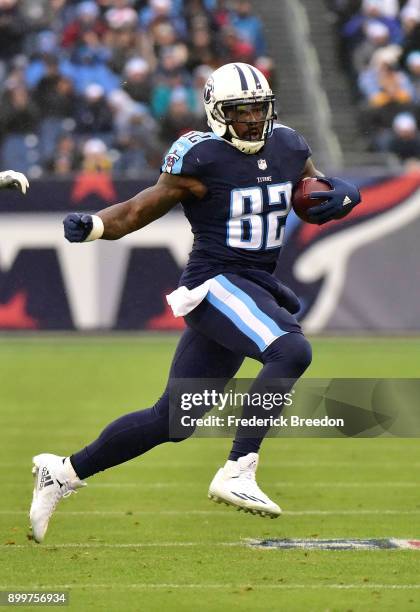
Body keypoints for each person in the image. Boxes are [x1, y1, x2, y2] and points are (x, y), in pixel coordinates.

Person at [29, 62, 361, 543]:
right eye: (239, 111)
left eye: (258, 109)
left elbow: (314, 187)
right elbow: (138, 208)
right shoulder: (200, 157)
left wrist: (343, 196)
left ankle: (62, 473)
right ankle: (239, 468)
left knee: (174, 419)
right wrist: (97, 225)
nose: (251, 120)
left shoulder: (289, 144)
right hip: (215, 282)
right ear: (216, 112)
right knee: (291, 350)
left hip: (252, 284)